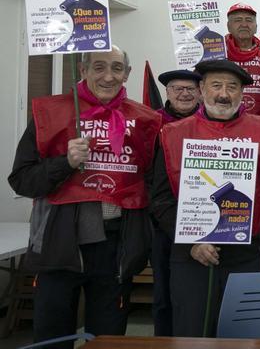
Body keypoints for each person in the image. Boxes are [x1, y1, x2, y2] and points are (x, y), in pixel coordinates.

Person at [9, 46, 162, 346]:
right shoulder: (51, 114)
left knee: (107, 339)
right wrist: (64, 162)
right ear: (82, 70)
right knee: (53, 338)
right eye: (99, 67)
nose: (108, 76)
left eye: (117, 68)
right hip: (58, 245)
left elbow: (152, 185)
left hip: (116, 248)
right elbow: (22, 181)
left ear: (127, 74)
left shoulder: (144, 120)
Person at [150, 59, 260, 337]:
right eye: (216, 85)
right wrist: (192, 242)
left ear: (242, 93)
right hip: (192, 254)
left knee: (245, 334)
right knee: (192, 333)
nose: (224, 94)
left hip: (247, 254)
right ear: (202, 89)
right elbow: (161, 199)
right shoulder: (173, 134)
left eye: (232, 87)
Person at [152, 68, 203, 336]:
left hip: (202, 219)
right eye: (177, 89)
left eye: (190, 89)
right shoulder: (153, 123)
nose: (184, 94)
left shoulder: (210, 122)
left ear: (200, 93)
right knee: (164, 293)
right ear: (167, 92)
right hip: (163, 220)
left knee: (194, 296)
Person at [223, 2, 260, 115]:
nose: (244, 24)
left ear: (256, 27)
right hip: (223, 121)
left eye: (249, 20)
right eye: (238, 20)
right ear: (229, 26)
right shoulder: (217, 53)